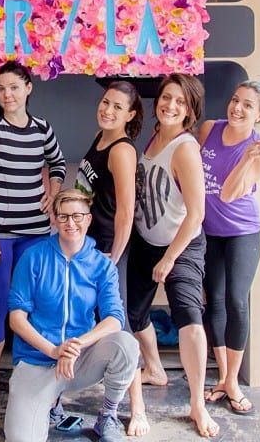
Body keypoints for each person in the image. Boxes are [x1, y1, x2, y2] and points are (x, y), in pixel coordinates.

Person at [0, 60, 66, 407]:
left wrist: (53, 191)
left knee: (35, 308)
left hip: (36, 234)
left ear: (28, 88)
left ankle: (33, 377)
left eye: (14, 87)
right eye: (1, 88)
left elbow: (59, 163)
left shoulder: (42, 128)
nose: (7, 94)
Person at [4, 188, 139, 442]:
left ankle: (108, 415)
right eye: (64, 216)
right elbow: (16, 319)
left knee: (126, 345)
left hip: (81, 360)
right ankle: (50, 406)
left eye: (78, 216)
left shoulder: (102, 265)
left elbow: (114, 318)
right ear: (54, 219)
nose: (71, 223)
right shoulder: (33, 257)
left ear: (88, 219)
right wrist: (54, 351)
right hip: (37, 360)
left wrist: (77, 345)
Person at [126, 74, 220, 438]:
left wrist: (169, 259)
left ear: (190, 110)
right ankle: (155, 368)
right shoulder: (153, 138)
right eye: (167, 98)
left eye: (180, 102)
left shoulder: (185, 147)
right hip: (146, 241)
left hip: (181, 244)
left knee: (190, 318)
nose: (170, 105)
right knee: (132, 315)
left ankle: (196, 403)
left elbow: (196, 214)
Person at [199, 80, 260, 416]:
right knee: (212, 299)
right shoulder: (209, 129)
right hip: (208, 232)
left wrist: (247, 157)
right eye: (235, 100)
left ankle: (232, 380)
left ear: (259, 115)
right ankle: (223, 377)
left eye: (248, 105)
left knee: (235, 298)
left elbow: (229, 194)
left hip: (242, 232)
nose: (237, 108)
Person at [74, 81, 149, 436]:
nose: (108, 110)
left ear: (131, 115)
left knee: (119, 326)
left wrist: (112, 259)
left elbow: (125, 213)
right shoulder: (101, 137)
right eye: (106, 102)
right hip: (89, 246)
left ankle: (137, 409)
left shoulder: (121, 150)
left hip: (108, 249)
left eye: (118, 107)